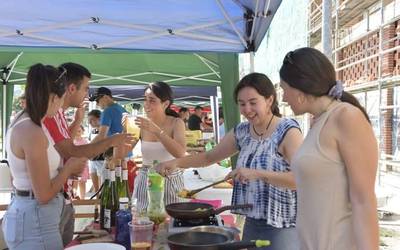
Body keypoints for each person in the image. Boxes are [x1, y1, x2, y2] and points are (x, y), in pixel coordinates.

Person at [156, 73, 303, 250]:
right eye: (242, 104)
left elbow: (300, 179)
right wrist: (176, 163)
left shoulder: (288, 131)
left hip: (284, 226)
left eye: (253, 102)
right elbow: (208, 157)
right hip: (252, 222)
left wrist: (257, 174)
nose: (247, 109)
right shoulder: (242, 131)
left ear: (269, 100)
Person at [279, 47, 379, 250]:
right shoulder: (319, 121)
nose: (283, 98)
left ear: (300, 88)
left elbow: (364, 201)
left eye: (284, 88)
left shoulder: (346, 117)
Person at [43, 63, 133, 246]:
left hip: (61, 197)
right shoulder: (52, 113)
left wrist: (77, 120)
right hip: (50, 198)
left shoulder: (58, 113)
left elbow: (66, 142)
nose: (87, 95)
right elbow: (70, 150)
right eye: (85, 88)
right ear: (71, 88)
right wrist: (111, 142)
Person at [2, 64, 87, 250]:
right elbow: (44, 194)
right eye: (62, 99)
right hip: (35, 223)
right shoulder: (31, 131)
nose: (60, 108)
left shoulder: (27, 122)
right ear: (54, 97)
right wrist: (68, 169)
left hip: (32, 217)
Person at [132, 81, 186, 212]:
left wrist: (157, 131)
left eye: (152, 100)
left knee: (172, 221)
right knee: (143, 220)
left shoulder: (176, 122)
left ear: (165, 104)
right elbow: (119, 155)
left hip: (170, 178)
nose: (146, 104)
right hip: (146, 179)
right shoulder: (140, 124)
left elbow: (180, 153)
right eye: (145, 99)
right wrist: (125, 131)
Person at [87, 109, 105, 193]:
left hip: (102, 160)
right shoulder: (92, 131)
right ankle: (97, 200)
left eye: (92, 120)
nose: (90, 123)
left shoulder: (104, 131)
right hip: (92, 161)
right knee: (95, 187)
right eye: (89, 121)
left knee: (103, 185)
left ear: (99, 119)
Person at [72, 125, 90, 199]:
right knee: (74, 182)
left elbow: (87, 154)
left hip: (83, 165)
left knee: (82, 182)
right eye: (76, 131)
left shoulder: (85, 142)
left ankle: (83, 198)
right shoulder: (71, 142)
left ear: (82, 132)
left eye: (79, 131)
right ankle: (74, 197)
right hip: (73, 165)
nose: (77, 133)